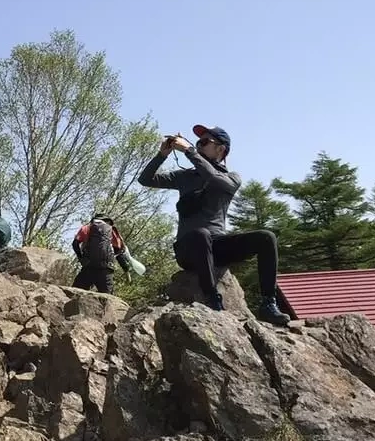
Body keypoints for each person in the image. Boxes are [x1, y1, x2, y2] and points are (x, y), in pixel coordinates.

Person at [138, 124, 290, 325]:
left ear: (221, 149)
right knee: (200, 234)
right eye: (197, 142)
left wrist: (189, 151)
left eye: (204, 142)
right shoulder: (185, 177)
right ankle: (212, 300)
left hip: (217, 245)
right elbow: (145, 179)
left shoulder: (231, 178)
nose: (199, 145)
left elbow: (213, 179)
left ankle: (268, 304)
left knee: (266, 238)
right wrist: (162, 155)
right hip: (189, 248)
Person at [71, 213, 133, 293]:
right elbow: (118, 252)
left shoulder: (87, 227)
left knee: (74, 293)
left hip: (89, 267)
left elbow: (75, 243)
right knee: (107, 300)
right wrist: (126, 270)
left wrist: (81, 259)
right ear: (107, 221)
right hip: (106, 270)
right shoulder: (112, 231)